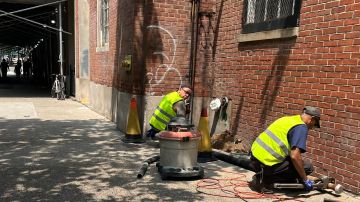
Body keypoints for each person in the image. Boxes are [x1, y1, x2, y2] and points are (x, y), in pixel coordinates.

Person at [250, 106, 321, 193]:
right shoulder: (301, 127)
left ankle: (263, 176)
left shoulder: (287, 119)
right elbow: (295, 156)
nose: (312, 128)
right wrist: (305, 179)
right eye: (314, 125)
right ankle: (264, 180)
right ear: (312, 119)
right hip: (265, 164)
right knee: (307, 167)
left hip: (254, 158)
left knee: (296, 164)